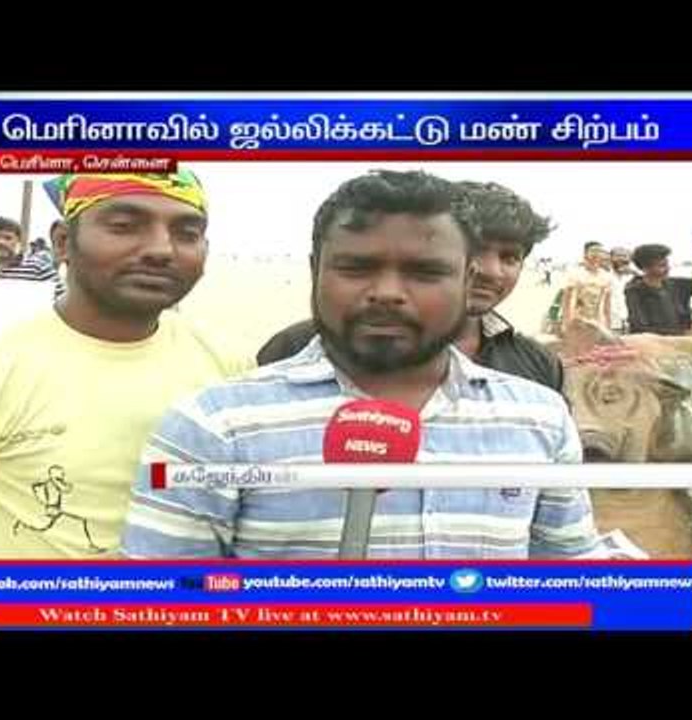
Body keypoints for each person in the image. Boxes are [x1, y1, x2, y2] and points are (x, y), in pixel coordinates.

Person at [122, 170, 602, 560]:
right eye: (356, 268)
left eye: (424, 272)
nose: (388, 292)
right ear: (316, 270)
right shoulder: (212, 425)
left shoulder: (541, 417)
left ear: (466, 279)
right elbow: (160, 602)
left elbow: (572, 577)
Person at [0, 171, 248, 559]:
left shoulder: (233, 368)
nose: (162, 249)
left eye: (186, 233)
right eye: (124, 226)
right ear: (63, 242)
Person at [256, 180, 565, 393]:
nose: (491, 270)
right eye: (479, 250)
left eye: (510, 257)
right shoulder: (292, 347)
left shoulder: (538, 366)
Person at [625, 243, 690, 335]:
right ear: (645, 268)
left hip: (678, 343)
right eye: (662, 266)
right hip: (651, 344)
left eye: (667, 264)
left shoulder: (675, 286)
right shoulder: (634, 291)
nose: (667, 269)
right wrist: (681, 333)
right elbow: (639, 326)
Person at [561, 241, 612, 335]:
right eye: (593, 251)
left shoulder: (606, 277)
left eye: (600, 251)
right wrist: (566, 323)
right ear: (585, 254)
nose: (597, 254)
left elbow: (607, 306)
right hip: (578, 321)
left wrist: (608, 326)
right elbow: (566, 301)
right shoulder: (575, 274)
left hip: (597, 322)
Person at [608, 246, 636, 335]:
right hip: (611, 322)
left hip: (630, 323)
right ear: (611, 258)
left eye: (625, 256)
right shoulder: (605, 276)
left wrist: (635, 273)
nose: (621, 259)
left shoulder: (634, 277)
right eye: (618, 255)